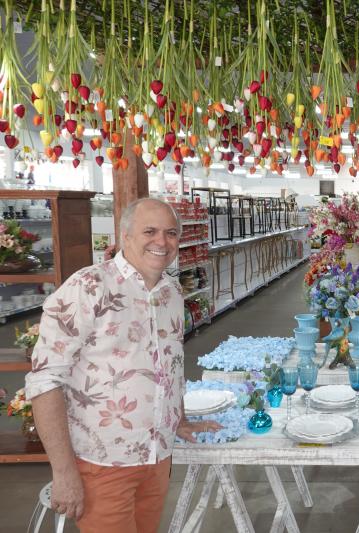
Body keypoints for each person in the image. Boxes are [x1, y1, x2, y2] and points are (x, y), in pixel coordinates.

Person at [25, 198, 221, 532]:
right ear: (126, 235)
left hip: (156, 458)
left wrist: (179, 419)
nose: (162, 242)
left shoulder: (171, 292)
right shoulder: (88, 287)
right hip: (104, 463)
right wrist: (64, 471)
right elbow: (44, 381)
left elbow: (169, 364)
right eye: (150, 231)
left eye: (171, 233)